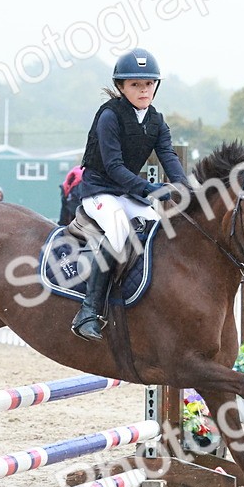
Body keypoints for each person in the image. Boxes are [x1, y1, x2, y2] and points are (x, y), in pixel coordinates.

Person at [70, 47, 190, 341]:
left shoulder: (156, 121)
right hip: (99, 190)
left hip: (127, 193)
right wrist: (150, 189)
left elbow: (168, 156)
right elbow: (113, 166)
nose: (144, 90)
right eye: (136, 84)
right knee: (120, 231)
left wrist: (186, 189)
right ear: (121, 87)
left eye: (148, 84)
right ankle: (89, 311)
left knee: (158, 230)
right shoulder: (109, 116)